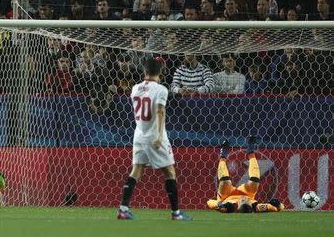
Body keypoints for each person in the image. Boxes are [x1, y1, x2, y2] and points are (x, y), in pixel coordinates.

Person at [117, 58, 192, 221]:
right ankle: (176, 213)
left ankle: (123, 209)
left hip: (139, 135)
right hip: (155, 136)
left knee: (136, 170)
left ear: (144, 71)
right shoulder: (161, 90)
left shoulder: (135, 88)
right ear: (160, 72)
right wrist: (158, 136)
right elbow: (159, 112)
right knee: (169, 171)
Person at [207, 136, 285, 213]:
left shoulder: (228, 208)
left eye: (243, 201)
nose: (244, 199)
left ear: (238, 206)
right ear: (250, 205)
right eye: (247, 201)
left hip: (226, 196)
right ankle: (251, 149)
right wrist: (278, 205)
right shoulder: (255, 206)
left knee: (225, 181)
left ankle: (223, 154)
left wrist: (220, 204)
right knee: (255, 179)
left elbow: (209, 202)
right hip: (247, 193)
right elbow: (277, 208)